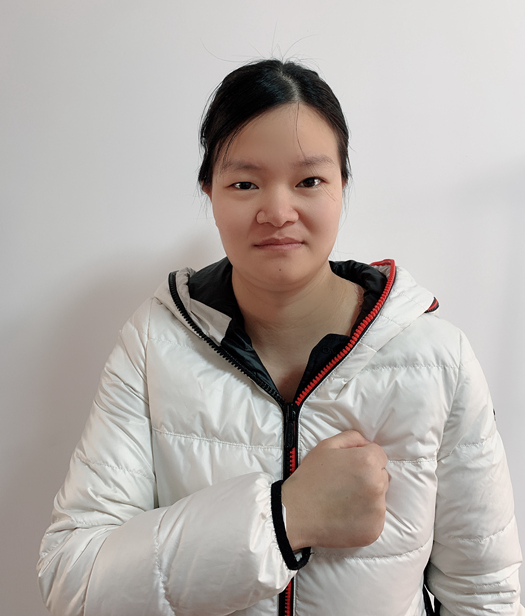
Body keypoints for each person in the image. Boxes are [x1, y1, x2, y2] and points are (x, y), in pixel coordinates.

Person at [37, 59, 523, 616]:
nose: (277, 211)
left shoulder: (438, 359)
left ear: (342, 185)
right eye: (245, 183)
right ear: (209, 191)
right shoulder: (153, 346)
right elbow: (73, 582)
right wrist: (285, 517)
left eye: (309, 181)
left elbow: (484, 594)